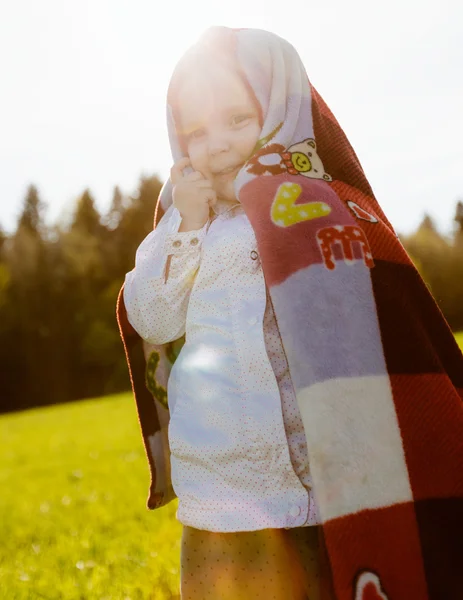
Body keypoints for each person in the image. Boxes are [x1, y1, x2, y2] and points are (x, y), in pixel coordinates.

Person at [117, 27, 463, 600]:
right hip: (226, 493)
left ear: (279, 109)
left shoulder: (325, 208)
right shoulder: (179, 227)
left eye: (237, 119)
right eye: (196, 131)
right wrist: (187, 229)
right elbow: (150, 318)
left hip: (327, 485)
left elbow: (385, 327)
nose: (217, 144)